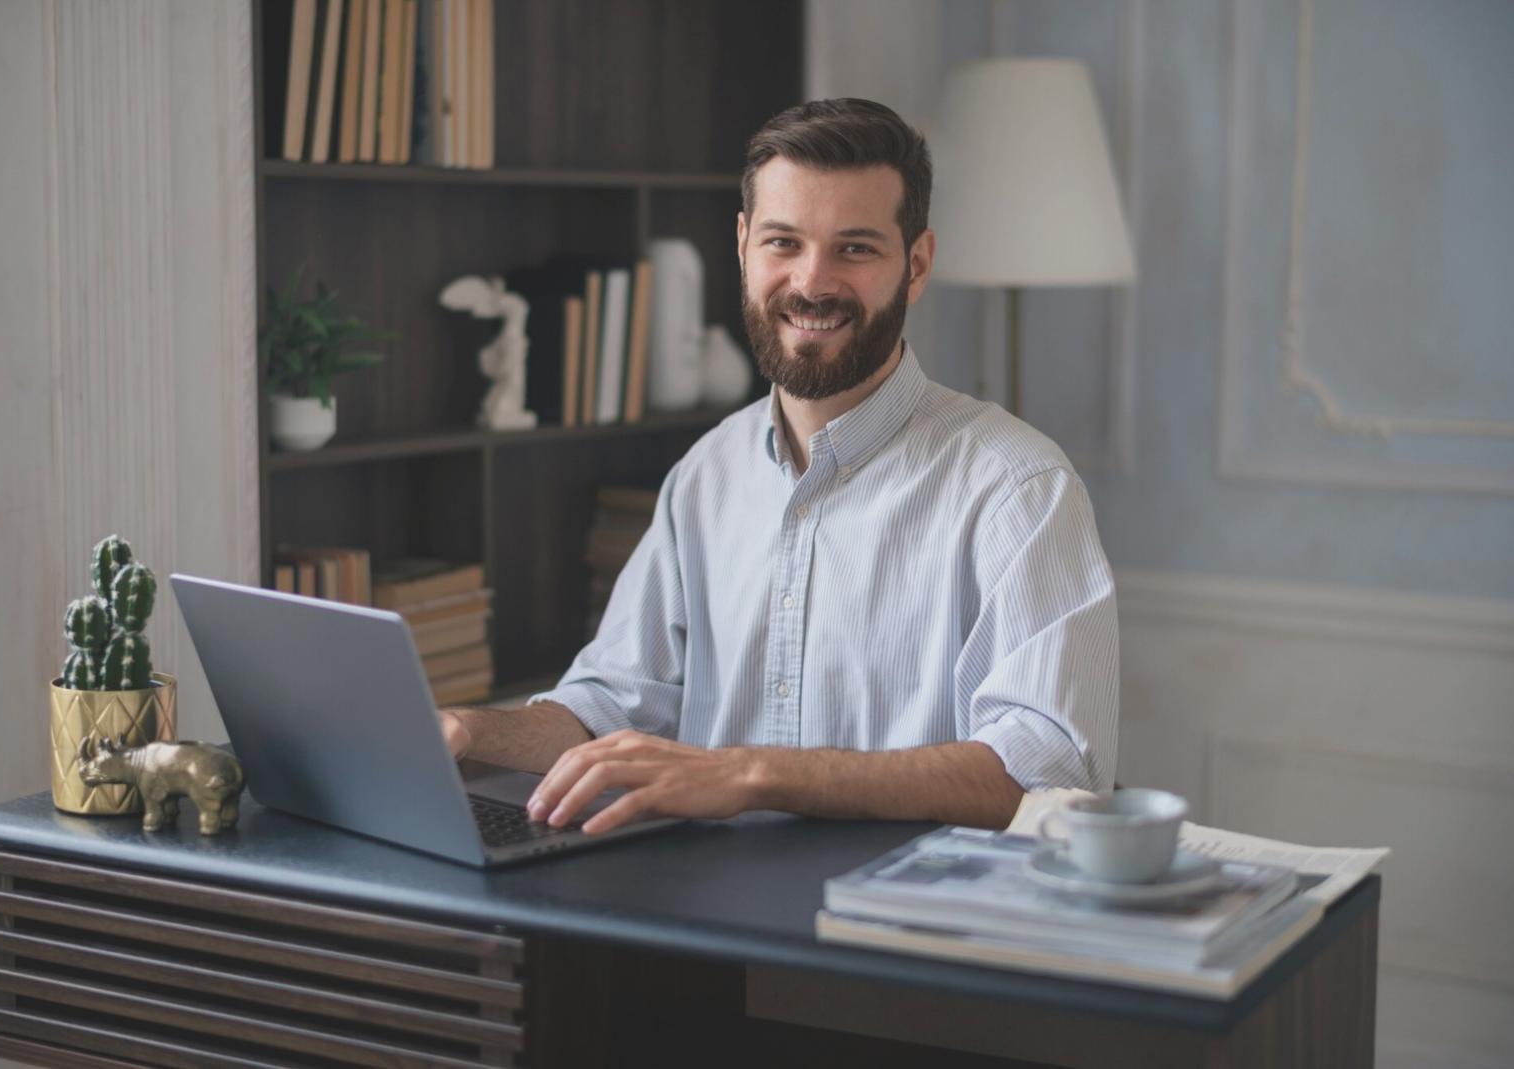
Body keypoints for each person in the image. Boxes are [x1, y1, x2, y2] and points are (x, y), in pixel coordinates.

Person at [438, 98, 1118, 835]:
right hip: (703, 920)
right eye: (783, 242)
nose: (811, 282)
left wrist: (753, 772)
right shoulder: (705, 474)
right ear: (741, 244)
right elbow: (610, 705)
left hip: (900, 934)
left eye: (854, 248)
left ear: (914, 264)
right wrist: (473, 732)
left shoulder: (1017, 488)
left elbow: (1047, 769)